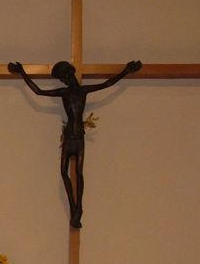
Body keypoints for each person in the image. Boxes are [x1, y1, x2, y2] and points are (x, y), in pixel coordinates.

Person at [8, 59, 141, 228]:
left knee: (78, 172)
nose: (63, 81)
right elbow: (39, 91)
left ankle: (78, 208)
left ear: (69, 74)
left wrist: (126, 70)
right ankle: (73, 207)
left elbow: (107, 83)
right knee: (64, 172)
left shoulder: (83, 90)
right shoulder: (63, 92)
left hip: (79, 137)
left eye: (63, 77)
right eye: (61, 79)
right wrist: (22, 73)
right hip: (69, 137)